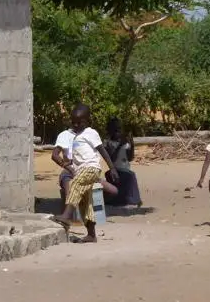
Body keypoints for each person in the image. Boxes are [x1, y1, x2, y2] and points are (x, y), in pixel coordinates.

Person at [52, 104, 119, 243]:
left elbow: (102, 151)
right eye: (73, 122)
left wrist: (112, 168)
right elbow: (68, 156)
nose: (76, 125)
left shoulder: (91, 133)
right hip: (81, 169)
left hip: (91, 168)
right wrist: (67, 164)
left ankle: (66, 216)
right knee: (85, 202)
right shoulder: (74, 136)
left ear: (87, 121)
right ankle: (91, 235)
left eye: (79, 122)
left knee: (75, 184)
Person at [103, 117, 142, 207]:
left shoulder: (124, 142)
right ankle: (133, 200)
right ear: (110, 131)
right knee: (131, 175)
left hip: (125, 169)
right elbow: (112, 158)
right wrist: (121, 145)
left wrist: (132, 145)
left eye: (119, 129)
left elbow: (130, 158)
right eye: (116, 130)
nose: (118, 132)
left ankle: (129, 199)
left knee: (129, 175)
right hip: (115, 170)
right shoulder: (107, 143)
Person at [51, 127, 75, 206]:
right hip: (69, 171)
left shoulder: (88, 133)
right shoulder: (64, 135)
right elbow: (55, 155)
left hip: (85, 170)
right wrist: (70, 169)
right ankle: (67, 213)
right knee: (70, 195)